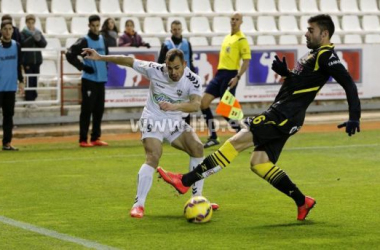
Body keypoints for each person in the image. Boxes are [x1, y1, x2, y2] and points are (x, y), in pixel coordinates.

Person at [157, 14, 361, 221]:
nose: (306, 33)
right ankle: (302, 201)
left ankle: (186, 180)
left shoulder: (326, 56)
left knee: (235, 143)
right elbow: (304, 82)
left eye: (311, 30)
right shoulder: (314, 55)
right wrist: (288, 73)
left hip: (283, 115)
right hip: (287, 116)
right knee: (259, 162)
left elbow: (348, 83)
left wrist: (355, 117)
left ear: (324, 33)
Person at [82, 48, 219, 218]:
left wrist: (175, 107)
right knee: (154, 155)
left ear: (184, 65)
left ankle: (196, 199)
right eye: (170, 68)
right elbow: (128, 60)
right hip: (152, 119)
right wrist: (101, 57)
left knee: (197, 147)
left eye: (177, 68)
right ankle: (138, 205)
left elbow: (195, 105)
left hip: (174, 121)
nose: (173, 72)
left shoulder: (193, 80)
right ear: (165, 65)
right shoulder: (155, 69)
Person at [202, 12, 251, 148]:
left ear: (241, 22)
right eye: (232, 19)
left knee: (225, 109)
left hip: (230, 75)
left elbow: (246, 61)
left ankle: (242, 133)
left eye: (237, 19)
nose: (234, 21)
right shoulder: (227, 38)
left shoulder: (242, 40)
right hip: (219, 74)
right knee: (203, 103)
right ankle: (213, 137)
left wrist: (237, 77)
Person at [66, 15, 109, 147]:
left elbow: (106, 57)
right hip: (89, 80)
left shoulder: (103, 39)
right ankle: (83, 139)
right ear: (89, 26)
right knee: (87, 110)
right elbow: (69, 54)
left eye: (98, 25)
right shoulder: (85, 40)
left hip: (101, 80)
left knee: (99, 110)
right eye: (94, 25)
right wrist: (83, 66)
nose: (96, 28)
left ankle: (95, 137)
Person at [158, 20, 196, 125]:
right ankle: (169, 129)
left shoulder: (187, 44)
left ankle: (187, 129)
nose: (177, 31)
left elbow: (191, 62)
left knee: (186, 104)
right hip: (171, 79)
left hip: (185, 79)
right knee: (171, 104)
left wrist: (192, 78)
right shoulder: (166, 44)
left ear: (182, 30)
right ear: (171, 30)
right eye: (174, 29)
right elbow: (160, 63)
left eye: (179, 29)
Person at [0, 20, 24, 151]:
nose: (8, 31)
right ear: (1, 31)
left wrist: (21, 81)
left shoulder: (16, 46)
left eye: (10, 29)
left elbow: (18, 65)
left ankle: (7, 143)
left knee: (9, 116)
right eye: (5, 29)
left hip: (10, 87)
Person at [20, 14, 47, 103]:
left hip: (37, 61)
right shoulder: (23, 33)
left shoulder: (38, 32)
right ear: (26, 23)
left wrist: (38, 39)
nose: (31, 25)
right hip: (27, 61)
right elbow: (23, 44)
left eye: (32, 23)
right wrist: (32, 37)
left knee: (35, 80)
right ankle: (29, 99)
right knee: (29, 80)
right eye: (29, 23)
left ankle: (34, 98)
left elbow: (44, 44)